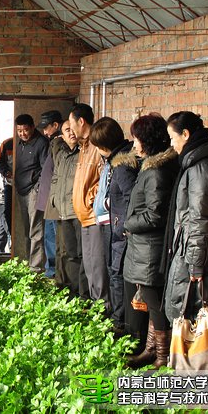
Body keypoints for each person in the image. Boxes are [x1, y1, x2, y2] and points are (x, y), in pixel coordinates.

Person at [163, 111, 208, 346]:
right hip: (199, 254)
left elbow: (199, 220)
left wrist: (195, 264)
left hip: (200, 258)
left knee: (194, 324)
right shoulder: (199, 163)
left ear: (185, 134)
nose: (172, 144)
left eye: (173, 138)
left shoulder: (200, 168)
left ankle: (195, 368)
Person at [122, 113, 178, 369]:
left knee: (155, 304)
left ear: (148, 141)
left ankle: (162, 357)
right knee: (151, 301)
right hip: (144, 248)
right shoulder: (151, 167)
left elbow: (155, 215)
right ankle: (150, 349)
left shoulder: (156, 172)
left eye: (136, 140)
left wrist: (129, 223)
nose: (134, 145)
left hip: (150, 249)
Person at [90, 117, 137, 333]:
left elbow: (130, 199)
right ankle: (117, 317)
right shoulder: (114, 160)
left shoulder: (122, 165)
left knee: (116, 274)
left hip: (119, 229)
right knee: (113, 271)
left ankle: (120, 323)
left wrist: (121, 225)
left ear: (104, 145)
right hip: (113, 225)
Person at [70, 103, 108, 307]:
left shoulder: (96, 146)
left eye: (71, 124)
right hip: (84, 215)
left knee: (97, 266)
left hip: (94, 215)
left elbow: (104, 179)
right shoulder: (83, 147)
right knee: (90, 265)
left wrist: (91, 199)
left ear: (81, 122)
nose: (70, 129)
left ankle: (102, 309)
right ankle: (95, 305)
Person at [13, 114, 49, 273]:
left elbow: (46, 169)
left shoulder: (41, 143)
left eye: (25, 130)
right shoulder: (20, 143)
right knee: (27, 230)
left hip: (34, 190)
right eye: (19, 131)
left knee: (36, 230)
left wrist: (37, 188)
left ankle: (36, 268)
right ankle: (29, 263)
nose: (22, 134)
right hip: (21, 190)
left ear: (33, 127)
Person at [52, 120, 82, 297]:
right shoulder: (61, 154)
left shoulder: (83, 153)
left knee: (77, 253)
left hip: (77, 210)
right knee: (66, 251)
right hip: (62, 210)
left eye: (72, 129)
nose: (71, 133)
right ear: (62, 136)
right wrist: (54, 199)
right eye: (66, 130)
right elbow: (56, 178)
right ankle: (67, 287)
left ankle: (77, 291)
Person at [36, 110, 63, 279]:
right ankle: (51, 270)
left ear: (56, 125)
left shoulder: (60, 144)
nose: (45, 132)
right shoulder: (53, 143)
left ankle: (55, 272)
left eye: (47, 128)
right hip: (48, 199)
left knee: (54, 238)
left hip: (54, 200)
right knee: (49, 237)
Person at [0, 137, 14, 253]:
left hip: (2, 197)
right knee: (7, 230)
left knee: (2, 232)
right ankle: (10, 252)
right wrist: (7, 174)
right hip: (1, 199)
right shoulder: (6, 145)